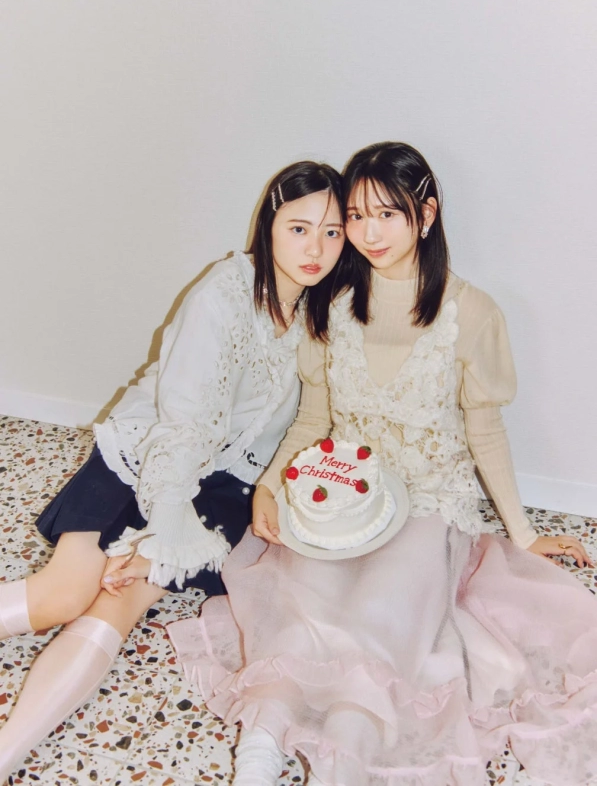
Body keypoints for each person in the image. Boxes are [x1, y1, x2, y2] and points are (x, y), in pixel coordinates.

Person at [169, 142, 597, 786]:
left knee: (378, 621)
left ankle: (341, 763)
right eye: (356, 216)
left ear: (426, 215)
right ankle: (258, 750)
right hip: (343, 494)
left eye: (387, 215)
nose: (368, 234)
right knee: (304, 613)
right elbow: (313, 417)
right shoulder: (332, 302)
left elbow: (485, 430)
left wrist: (525, 533)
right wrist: (268, 486)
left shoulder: (471, 312)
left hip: (428, 501)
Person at [0, 160, 348, 779]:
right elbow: (183, 423)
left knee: (122, 603)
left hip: (223, 487)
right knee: (66, 593)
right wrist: (162, 533)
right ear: (269, 224)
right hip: (148, 453)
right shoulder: (224, 292)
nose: (315, 249)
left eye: (331, 232)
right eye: (299, 228)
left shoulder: (323, 312)